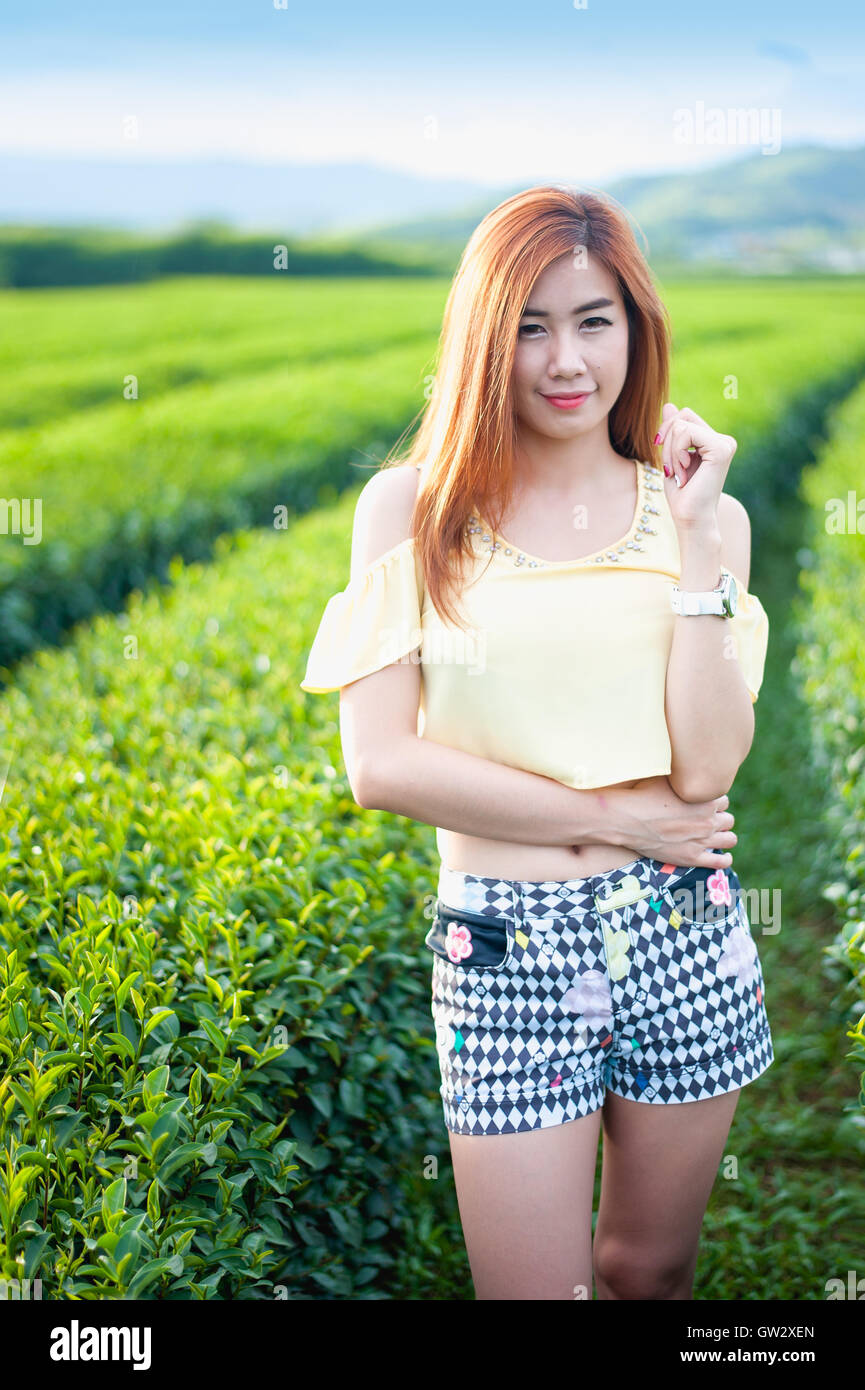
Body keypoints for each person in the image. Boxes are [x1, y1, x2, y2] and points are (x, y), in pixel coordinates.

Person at [300, 186, 773, 1301]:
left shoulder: (704, 519)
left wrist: (698, 537)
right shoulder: (413, 508)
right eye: (530, 324)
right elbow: (380, 765)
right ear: (483, 336)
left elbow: (705, 770)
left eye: (594, 319)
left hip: (680, 928)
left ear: (636, 329)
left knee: (646, 1272)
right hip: (504, 952)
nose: (566, 359)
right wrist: (616, 815)